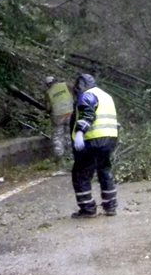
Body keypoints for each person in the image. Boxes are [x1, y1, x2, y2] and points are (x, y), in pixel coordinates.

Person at [69, 74, 119, 218]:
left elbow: (87, 113)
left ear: (81, 85)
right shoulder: (106, 96)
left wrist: (80, 133)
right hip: (109, 139)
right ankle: (110, 206)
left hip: (92, 139)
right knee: (104, 170)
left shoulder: (87, 95)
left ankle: (87, 208)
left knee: (81, 173)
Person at [44, 76, 73, 157]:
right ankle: (70, 155)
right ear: (56, 81)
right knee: (69, 133)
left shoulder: (48, 92)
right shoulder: (66, 85)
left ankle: (59, 155)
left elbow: (48, 108)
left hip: (57, 116)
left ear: (47, 84)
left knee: (58, 135)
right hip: (70, 113)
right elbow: (74, 93)